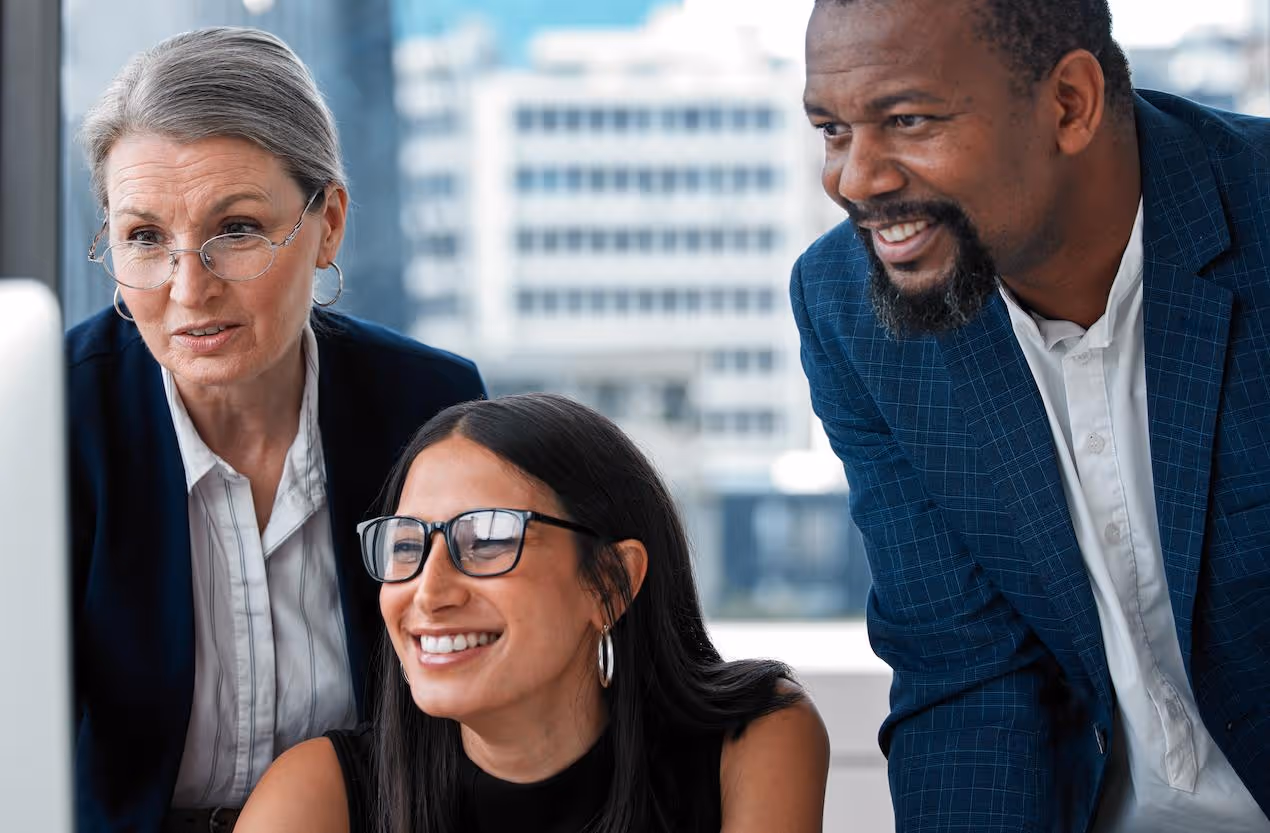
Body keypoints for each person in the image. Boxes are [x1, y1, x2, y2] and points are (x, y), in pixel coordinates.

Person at [793, 0, 1270, 830]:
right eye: (833, 130)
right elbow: (964, 674)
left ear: (1069, 105)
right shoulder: (849, 306)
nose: (856, 179)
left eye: (907, 120)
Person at [66, 27, 486, 833]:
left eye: (238, 229)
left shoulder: (430, 404)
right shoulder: (50, 416)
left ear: (327, 222)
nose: (190, 288)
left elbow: (479, 695)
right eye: (145, 237)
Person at [234, 393, 830, 833]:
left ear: (611, 584)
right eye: (407, 545)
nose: (429, 591)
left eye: (488, 539)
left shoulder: (753, 740)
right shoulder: (317, 795)